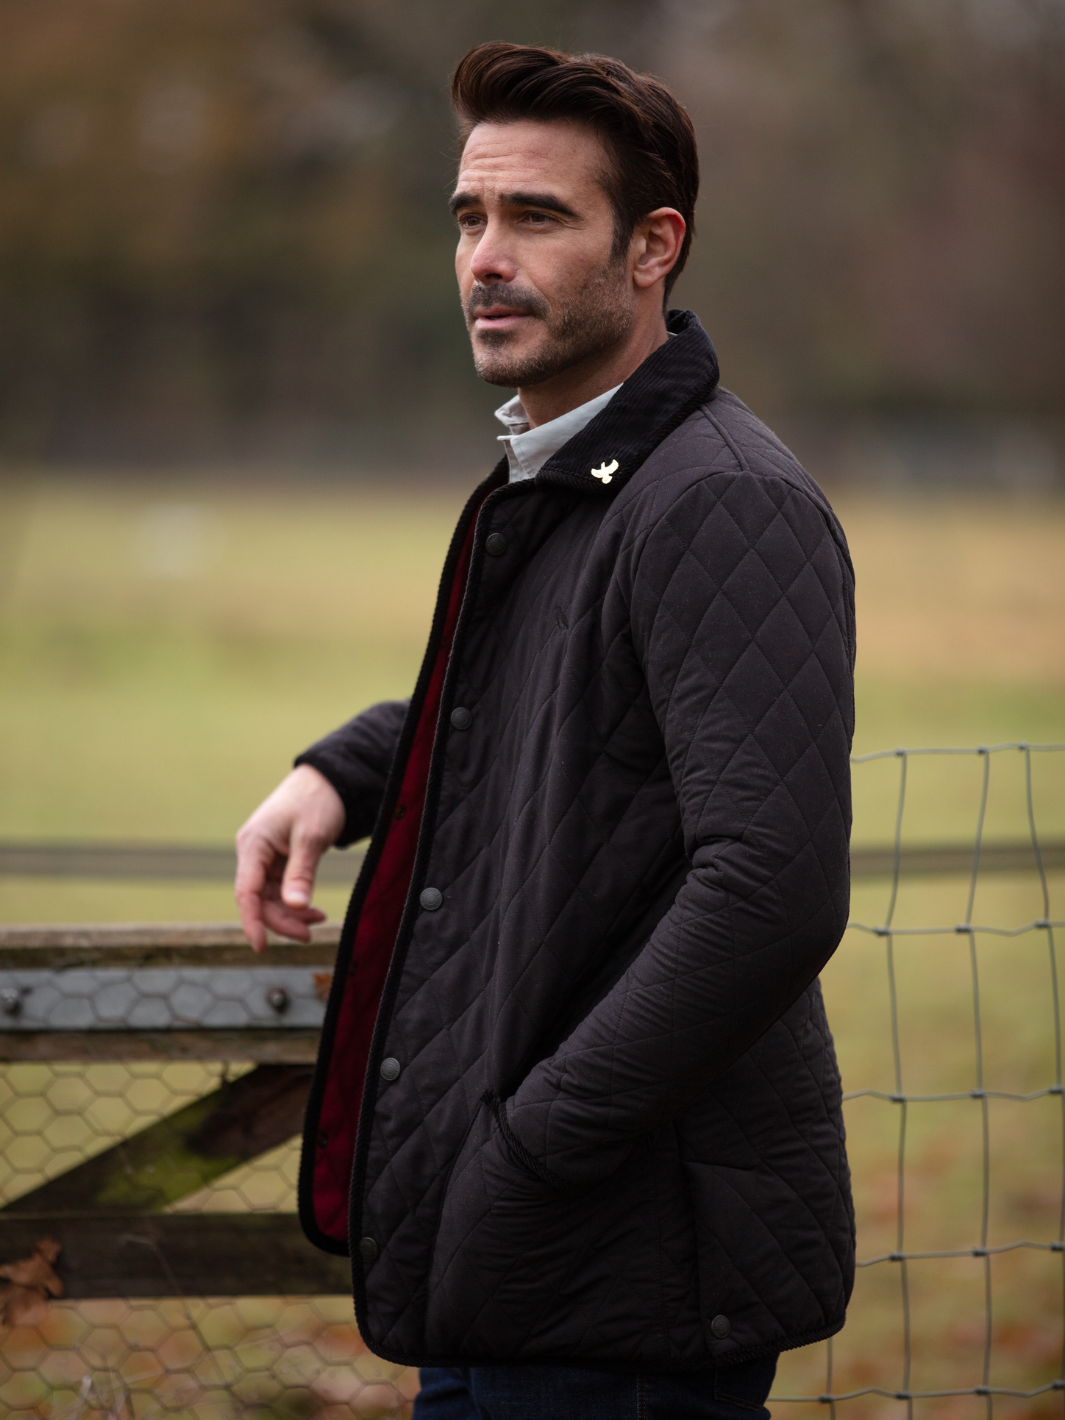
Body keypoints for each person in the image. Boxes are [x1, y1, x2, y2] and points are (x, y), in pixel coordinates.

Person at [235, 42, 856, 1420]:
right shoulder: (578, 472)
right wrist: (344, 773)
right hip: (514, 1263)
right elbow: (551, 704)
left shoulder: (719, 501)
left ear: (652, 248)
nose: (485, 259)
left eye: (536, 216)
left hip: (622, 1277)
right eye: (468, 217)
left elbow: (772, 891)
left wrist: (529, 1149)